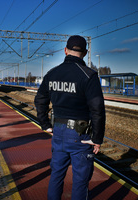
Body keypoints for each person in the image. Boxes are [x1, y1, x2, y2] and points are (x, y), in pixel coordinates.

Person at [34, 35, 106, 200]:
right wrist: (97, 137)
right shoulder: (89, 75)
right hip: (80, 135)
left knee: (56, 174)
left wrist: (44, 124)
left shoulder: (52, 73)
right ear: (86, 53)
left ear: (65, 50)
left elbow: (40, 100)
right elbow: (97, 109)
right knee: (80, 181)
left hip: (58, 131)